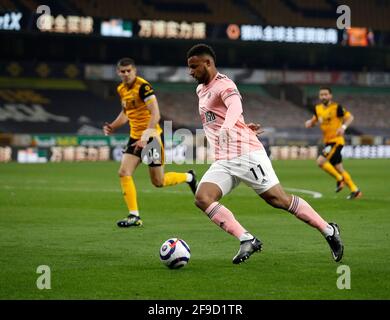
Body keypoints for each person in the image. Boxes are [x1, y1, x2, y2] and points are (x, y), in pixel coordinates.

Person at [186, 44, 343, 264]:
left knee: (279, 200)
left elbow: (234, 108)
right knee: (202, 198)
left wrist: (230, 127)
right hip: (224, 160)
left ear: (208, 63)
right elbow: (221, 116)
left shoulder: (225, 84)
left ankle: (328, 230)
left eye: (194, 67)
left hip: (246, 154)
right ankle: (246, 239)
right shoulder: (200, 90)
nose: (190, 72)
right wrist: (240, 126)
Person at [103, 57, 197, 227]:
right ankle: (134, 216)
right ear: (118, 72)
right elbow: (126, 113)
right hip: (135, 138)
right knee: (124, 172)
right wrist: (113, 126)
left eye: (128, 71)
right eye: (122, 71)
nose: (125, 74)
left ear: (134, 70)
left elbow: (156, 115)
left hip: (151, 137)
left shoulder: (143, 87)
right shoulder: (121, 89)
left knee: (158, 182)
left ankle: (189, 177)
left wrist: (145, 138)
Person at [305, 87, 362, 200]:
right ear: (319, 96)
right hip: (328, 142)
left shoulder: (337, 107)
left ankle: (339, 179)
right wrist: (309, 123)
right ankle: (355, 191)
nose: (323, 96)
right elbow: (314, 121)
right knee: (339, 168)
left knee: (320, 161)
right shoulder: (318, 109)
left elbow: (350, 117)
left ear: (330, 95)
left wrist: (343, 127)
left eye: (326, 94)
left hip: (336, 141)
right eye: (321, 95)